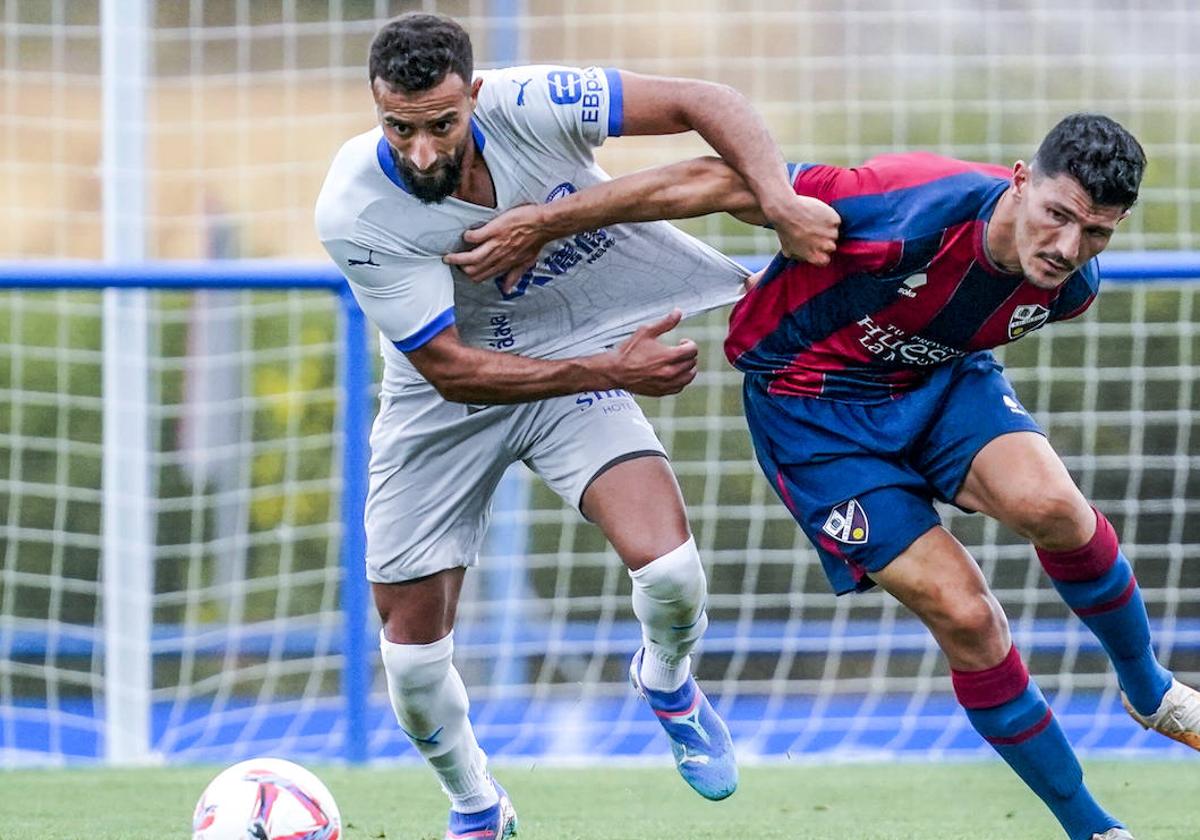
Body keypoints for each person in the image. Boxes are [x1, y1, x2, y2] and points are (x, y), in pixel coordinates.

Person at [448, 114, 1200, 840]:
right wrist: (543, 224)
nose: (1068, 246)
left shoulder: (1069, 286)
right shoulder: (903, 207)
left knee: (1055, 508)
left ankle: (1150, 692)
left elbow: (960, 319)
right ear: (1017, 182)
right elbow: (715, 180)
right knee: (966, 617)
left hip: (936, 382)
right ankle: (1095, 830)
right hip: (812, 413)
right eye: (1057, 215)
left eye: (1095, 232)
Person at [314, 12, 839, 840]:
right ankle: (477, 805)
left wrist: (777, 200)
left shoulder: (533, 101)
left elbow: (710, 101)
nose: (421, 151)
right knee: (412, 663)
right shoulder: (355, 209)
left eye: (441, 125)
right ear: (376, 110)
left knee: (671, 572)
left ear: (476, 98)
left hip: (569, 360)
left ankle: (667, 680)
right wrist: (612, 372)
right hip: (443, 403)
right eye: (399, 128)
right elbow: (451, 373)